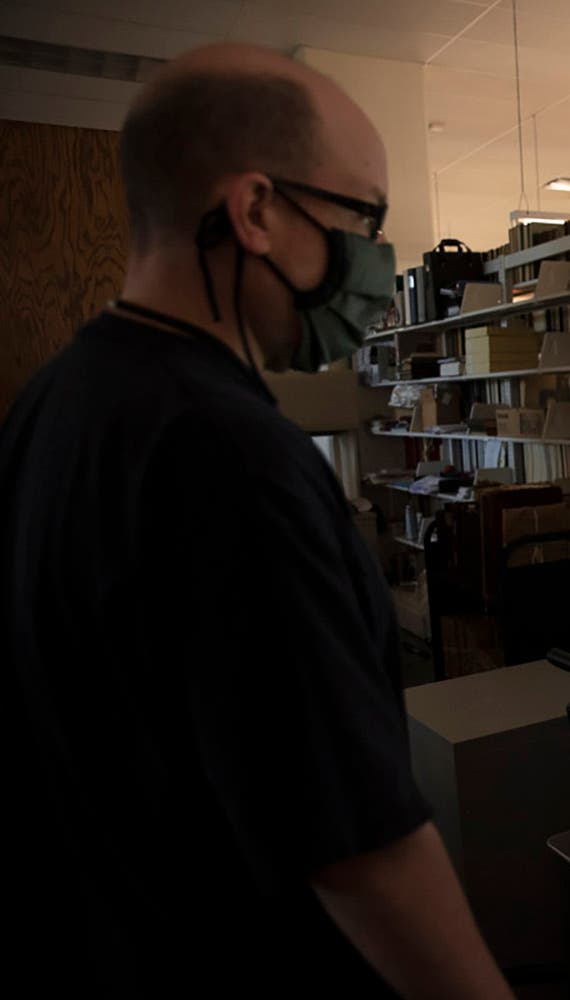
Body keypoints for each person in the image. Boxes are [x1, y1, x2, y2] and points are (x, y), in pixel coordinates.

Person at [0, 44, 514, 998]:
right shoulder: (226, 451)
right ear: (255, 211)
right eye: (363, 217)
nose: (374, 259)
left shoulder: (55, 403)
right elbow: (358, 850)